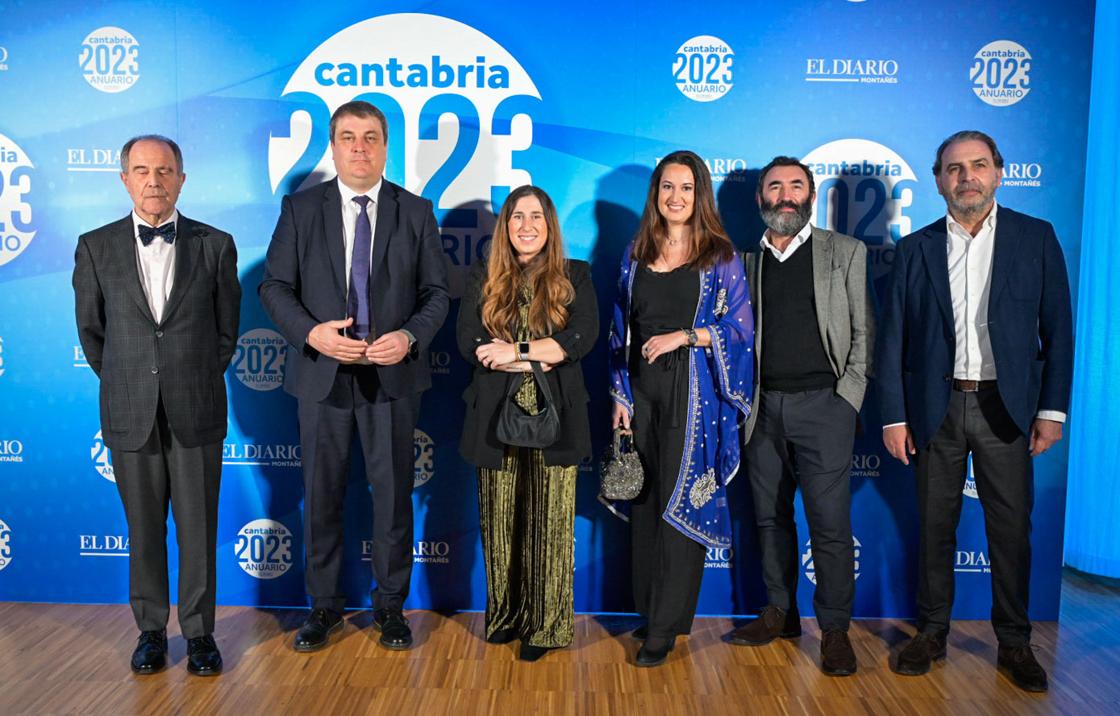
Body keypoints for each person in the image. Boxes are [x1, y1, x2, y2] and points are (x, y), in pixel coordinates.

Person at [877, 130, 1073, 692]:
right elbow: (893, 341)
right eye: (954, 168)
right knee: (934, 527)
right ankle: (931, 632)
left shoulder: (1035, 239)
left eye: (978, 165)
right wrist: (893, 416)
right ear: (938, 180)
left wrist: (1052, 410)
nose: (967, 177)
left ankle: (1014, 641)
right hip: (934, 409)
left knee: (1010, 531)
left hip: (1005, 408)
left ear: (999, 172)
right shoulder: (915, 248)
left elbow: (1058, 333)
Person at [259, 100, 449, 652]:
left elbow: (437, 294)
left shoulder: (415, 211)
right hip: (322, 375)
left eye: (370, 137)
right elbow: (273, 287)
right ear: (333, 145)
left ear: (386, 147)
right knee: (320, 496)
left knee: (392, 496)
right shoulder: (300, 209)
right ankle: (323, 607)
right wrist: (311, 334)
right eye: (348, 137)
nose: (359, 147)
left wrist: (410, 336)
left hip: (392, 378)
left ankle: (390, 607)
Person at [73, 134, 241, 676]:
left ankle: (199, 635)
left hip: (196, 408)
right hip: (130, 411)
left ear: (182, 179)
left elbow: (225, 335)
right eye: (142, 170)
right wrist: (135, 382)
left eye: (165, 170)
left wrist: (183, 379)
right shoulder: (94, 246)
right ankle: (150, 631)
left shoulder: (217, 244)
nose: (154, 180)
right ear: (124, 178)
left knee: (198, 529)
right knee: (143, 531)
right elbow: (92, 334)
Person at [729, 157, 874, 675]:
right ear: (760, 198)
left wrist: (846, 400)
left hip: (824, 407)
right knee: (769, 518)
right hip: (762, 409)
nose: (785, 195)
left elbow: (863, 333)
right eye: (775, 187)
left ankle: (834, 630)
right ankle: (779, 612)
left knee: (829, 525)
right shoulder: (743, 262)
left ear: (811, 196)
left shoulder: (845, 252)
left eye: (796, 186)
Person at [608, 150, 753, 667]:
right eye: (667, 187)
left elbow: (741, 332)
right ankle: (649, 611)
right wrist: (620, 395)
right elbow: (619, 331)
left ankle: (666, 628)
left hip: (695, 399)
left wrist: (685, 336)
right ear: (656, 194)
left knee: (679, 507)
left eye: (686, 188)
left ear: (700, 195)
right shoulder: (634, 251)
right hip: (643, 396)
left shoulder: (720, 256)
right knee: (646, 506)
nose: (676, 197)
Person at [457, 185, 598, 662]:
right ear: (505, 226)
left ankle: (548, 625)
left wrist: (515, 352)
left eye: (536, 216)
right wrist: (540, 354)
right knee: (500, 521)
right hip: (494, 421)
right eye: (517, 217)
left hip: (557, 421)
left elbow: (578, 339)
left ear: (550, 224)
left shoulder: (575, 275)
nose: (527, 226)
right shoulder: (484, 276)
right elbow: (471, 344)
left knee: (551, 523)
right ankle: (505, 615)